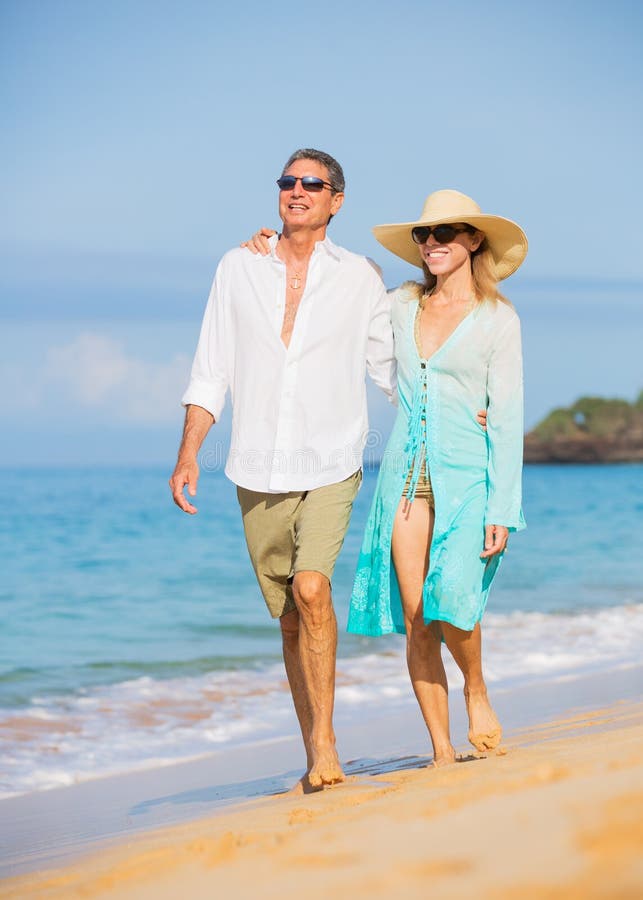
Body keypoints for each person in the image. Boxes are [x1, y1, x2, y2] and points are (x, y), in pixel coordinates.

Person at [169, 148, 397, 791]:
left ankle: (327, 747)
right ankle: (311, 749)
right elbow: (211, 368)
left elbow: (389, 371)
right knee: (290, 617)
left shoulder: (360, 277)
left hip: (332, 458)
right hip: (254, 465)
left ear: (337, 200)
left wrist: (459, 412)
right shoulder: (238, 266)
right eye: (288, 182)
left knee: (313, 589)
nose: (297, 192)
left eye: (312, 184)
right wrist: (189, 452)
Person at [347, 189, 527, 766]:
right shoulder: (400, 304)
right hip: (405, 474)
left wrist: (502, 507)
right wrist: (273, 247)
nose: (432, 244)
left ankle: (476, 687)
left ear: (474, 240)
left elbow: (506, 419)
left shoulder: (499, 320)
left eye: (446, 233)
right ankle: (441, 750)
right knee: (417, 612)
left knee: (452, 600)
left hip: (469, 474)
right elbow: (340, 276)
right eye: (425, 235)